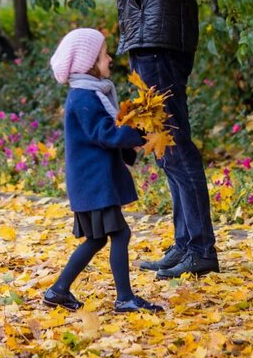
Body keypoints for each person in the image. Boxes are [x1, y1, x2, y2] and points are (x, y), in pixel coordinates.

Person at [74, 0, 221, 279]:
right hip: (149, 41)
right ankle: (186, 244)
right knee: (165, 148)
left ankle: (200, 249)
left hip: (160, 43)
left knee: (175, 146)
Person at [42, 28, 164, 314]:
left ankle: (58, 290)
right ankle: (124, 298)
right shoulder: (84, 97)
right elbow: (105, 133)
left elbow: (108, 130)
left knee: (98, 239)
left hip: (91, 182)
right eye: (104, 54)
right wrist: (139, 134)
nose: (109, 59)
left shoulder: (91, 93)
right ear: (88, 63)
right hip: (94, 183)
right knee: (119, 235)